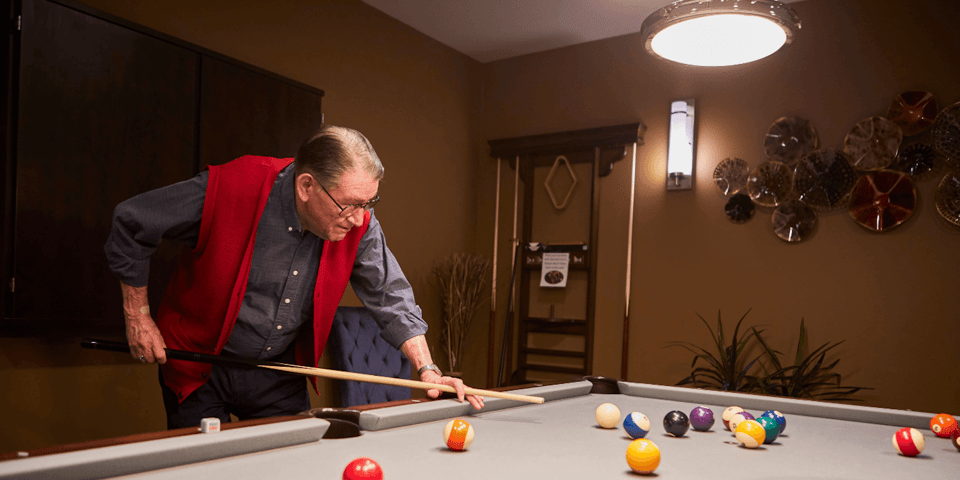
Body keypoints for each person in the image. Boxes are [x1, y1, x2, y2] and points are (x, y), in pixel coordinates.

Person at [105, 125, 483, 428]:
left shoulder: (360, 223)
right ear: (306, 186)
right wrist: (137, 316)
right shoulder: (233, 186)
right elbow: (133, 221)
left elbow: (390, 295)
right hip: (198, 366)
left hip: (277, 371)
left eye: (368, 204)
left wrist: (428, 369)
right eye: (350, 204)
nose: (358, 219)